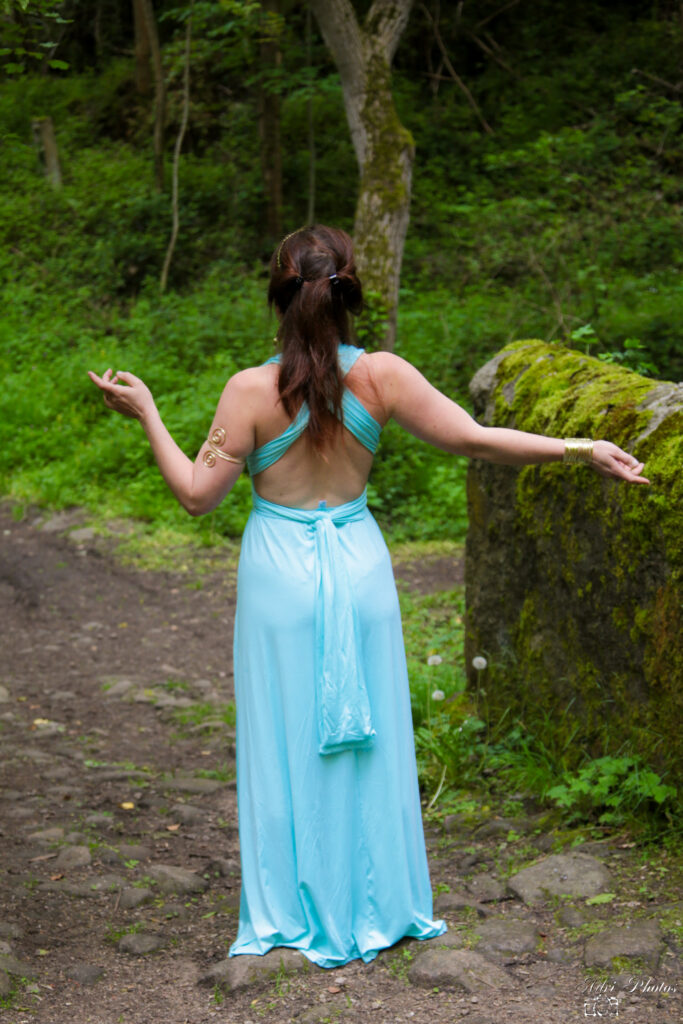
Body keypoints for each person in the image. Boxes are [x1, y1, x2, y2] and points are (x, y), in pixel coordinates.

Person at [88, 224, 649, 969]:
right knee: (371, 739)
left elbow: (196, 497)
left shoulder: (249, 391)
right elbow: (475, 439)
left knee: (286, 738)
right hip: (358, 566)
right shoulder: (382, 376)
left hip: (280, 579)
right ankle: (379, 902)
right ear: (351, 290)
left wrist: (149, 414)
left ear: (277, 293)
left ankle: (292, 909)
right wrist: (581, 449)